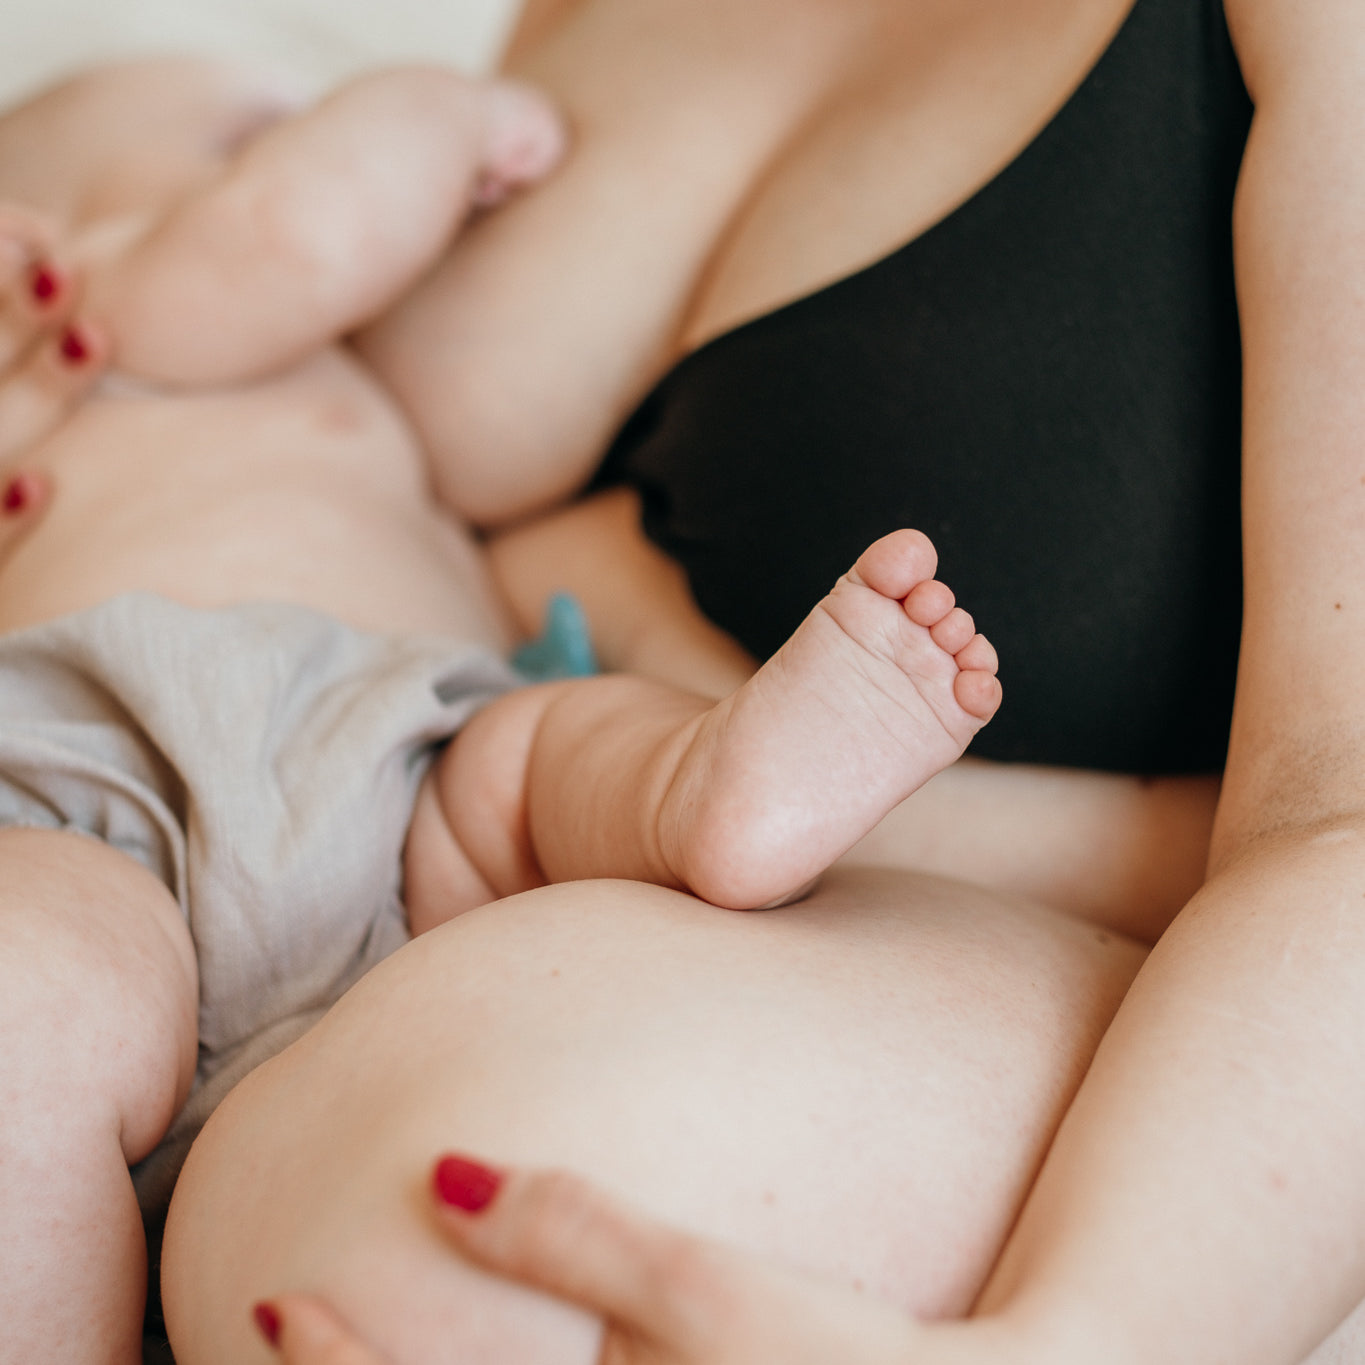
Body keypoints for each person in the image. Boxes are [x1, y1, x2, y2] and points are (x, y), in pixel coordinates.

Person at [28, 0, 1365, 1356]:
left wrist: (1102, 1336)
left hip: (638, 856)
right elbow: (466, 546)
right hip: (414, 793)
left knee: (455, 1270)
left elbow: (1339, 818)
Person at [0, 56, 1004, 1364]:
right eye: (241, 138)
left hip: (393, 763)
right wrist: (440, 114)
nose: (283, 150)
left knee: (541, 750)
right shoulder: (121, 318)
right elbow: (300, 228)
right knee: (45, 988)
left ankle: (709, 791)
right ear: (31, 244)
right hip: (123, 769)